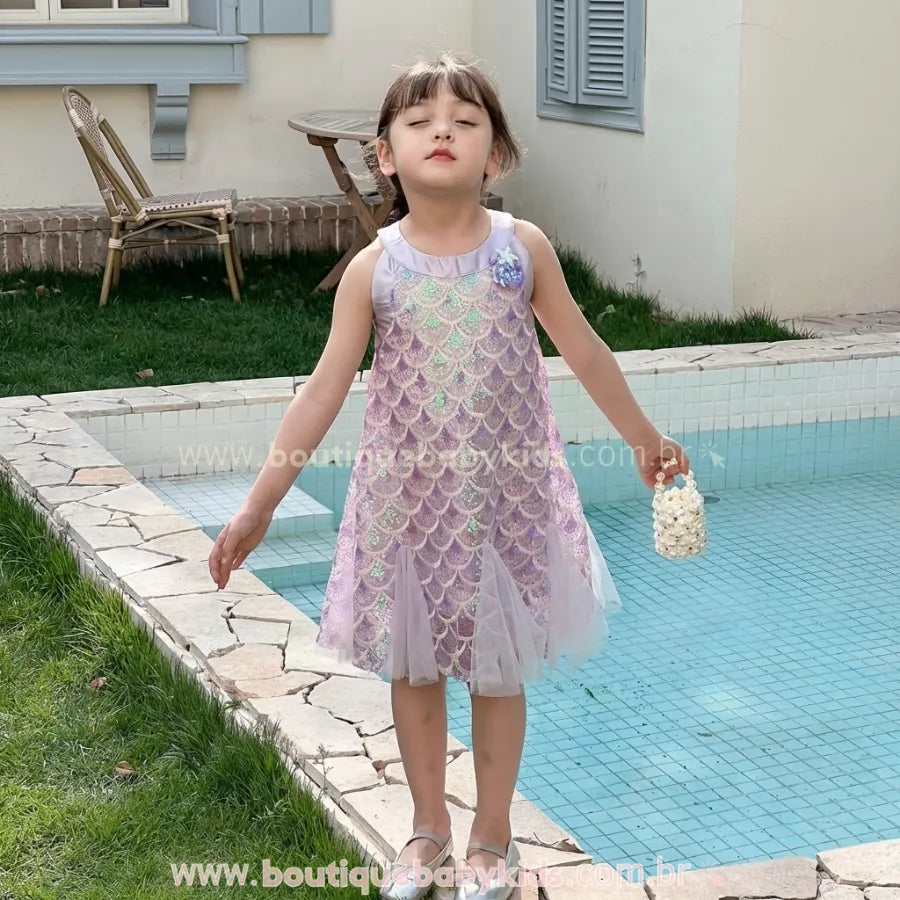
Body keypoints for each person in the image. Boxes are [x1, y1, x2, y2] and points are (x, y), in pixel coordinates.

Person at [209, 53, 689, 900]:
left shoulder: (522, 249)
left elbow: (583, 349)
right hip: (410, 506)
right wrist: (257, 506)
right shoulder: (376, 269)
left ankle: (492, 837)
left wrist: (644, 437)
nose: (443, 131)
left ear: (494, 157)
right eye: (420, 121)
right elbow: (323, 390)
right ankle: (427, 829)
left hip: (505, 502)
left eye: (465, 122)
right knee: (417, 667)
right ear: (386, 156)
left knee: (497, 669)